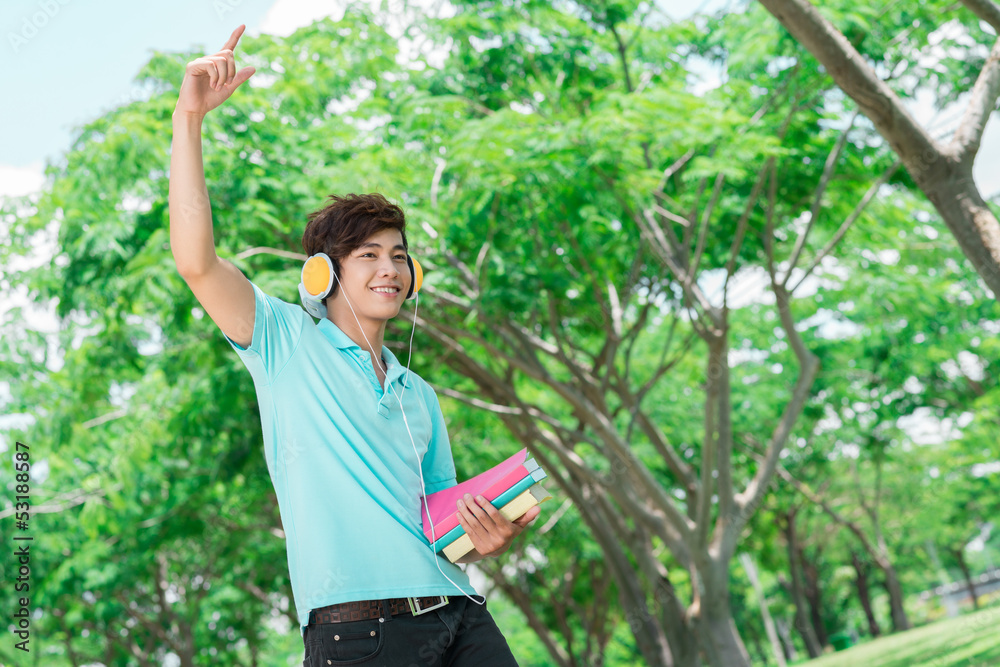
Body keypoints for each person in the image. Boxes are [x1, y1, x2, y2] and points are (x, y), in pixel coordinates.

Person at [168, 24, 540, 667]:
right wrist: (189, 118)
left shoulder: (418, 394)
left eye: (398, 255)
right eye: (368, 255)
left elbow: (439, 522)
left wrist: (488, 535)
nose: (389, 268)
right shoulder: (283, 341)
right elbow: (196, 262)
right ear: (324, 273)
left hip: (459, 614)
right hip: (360, 633)